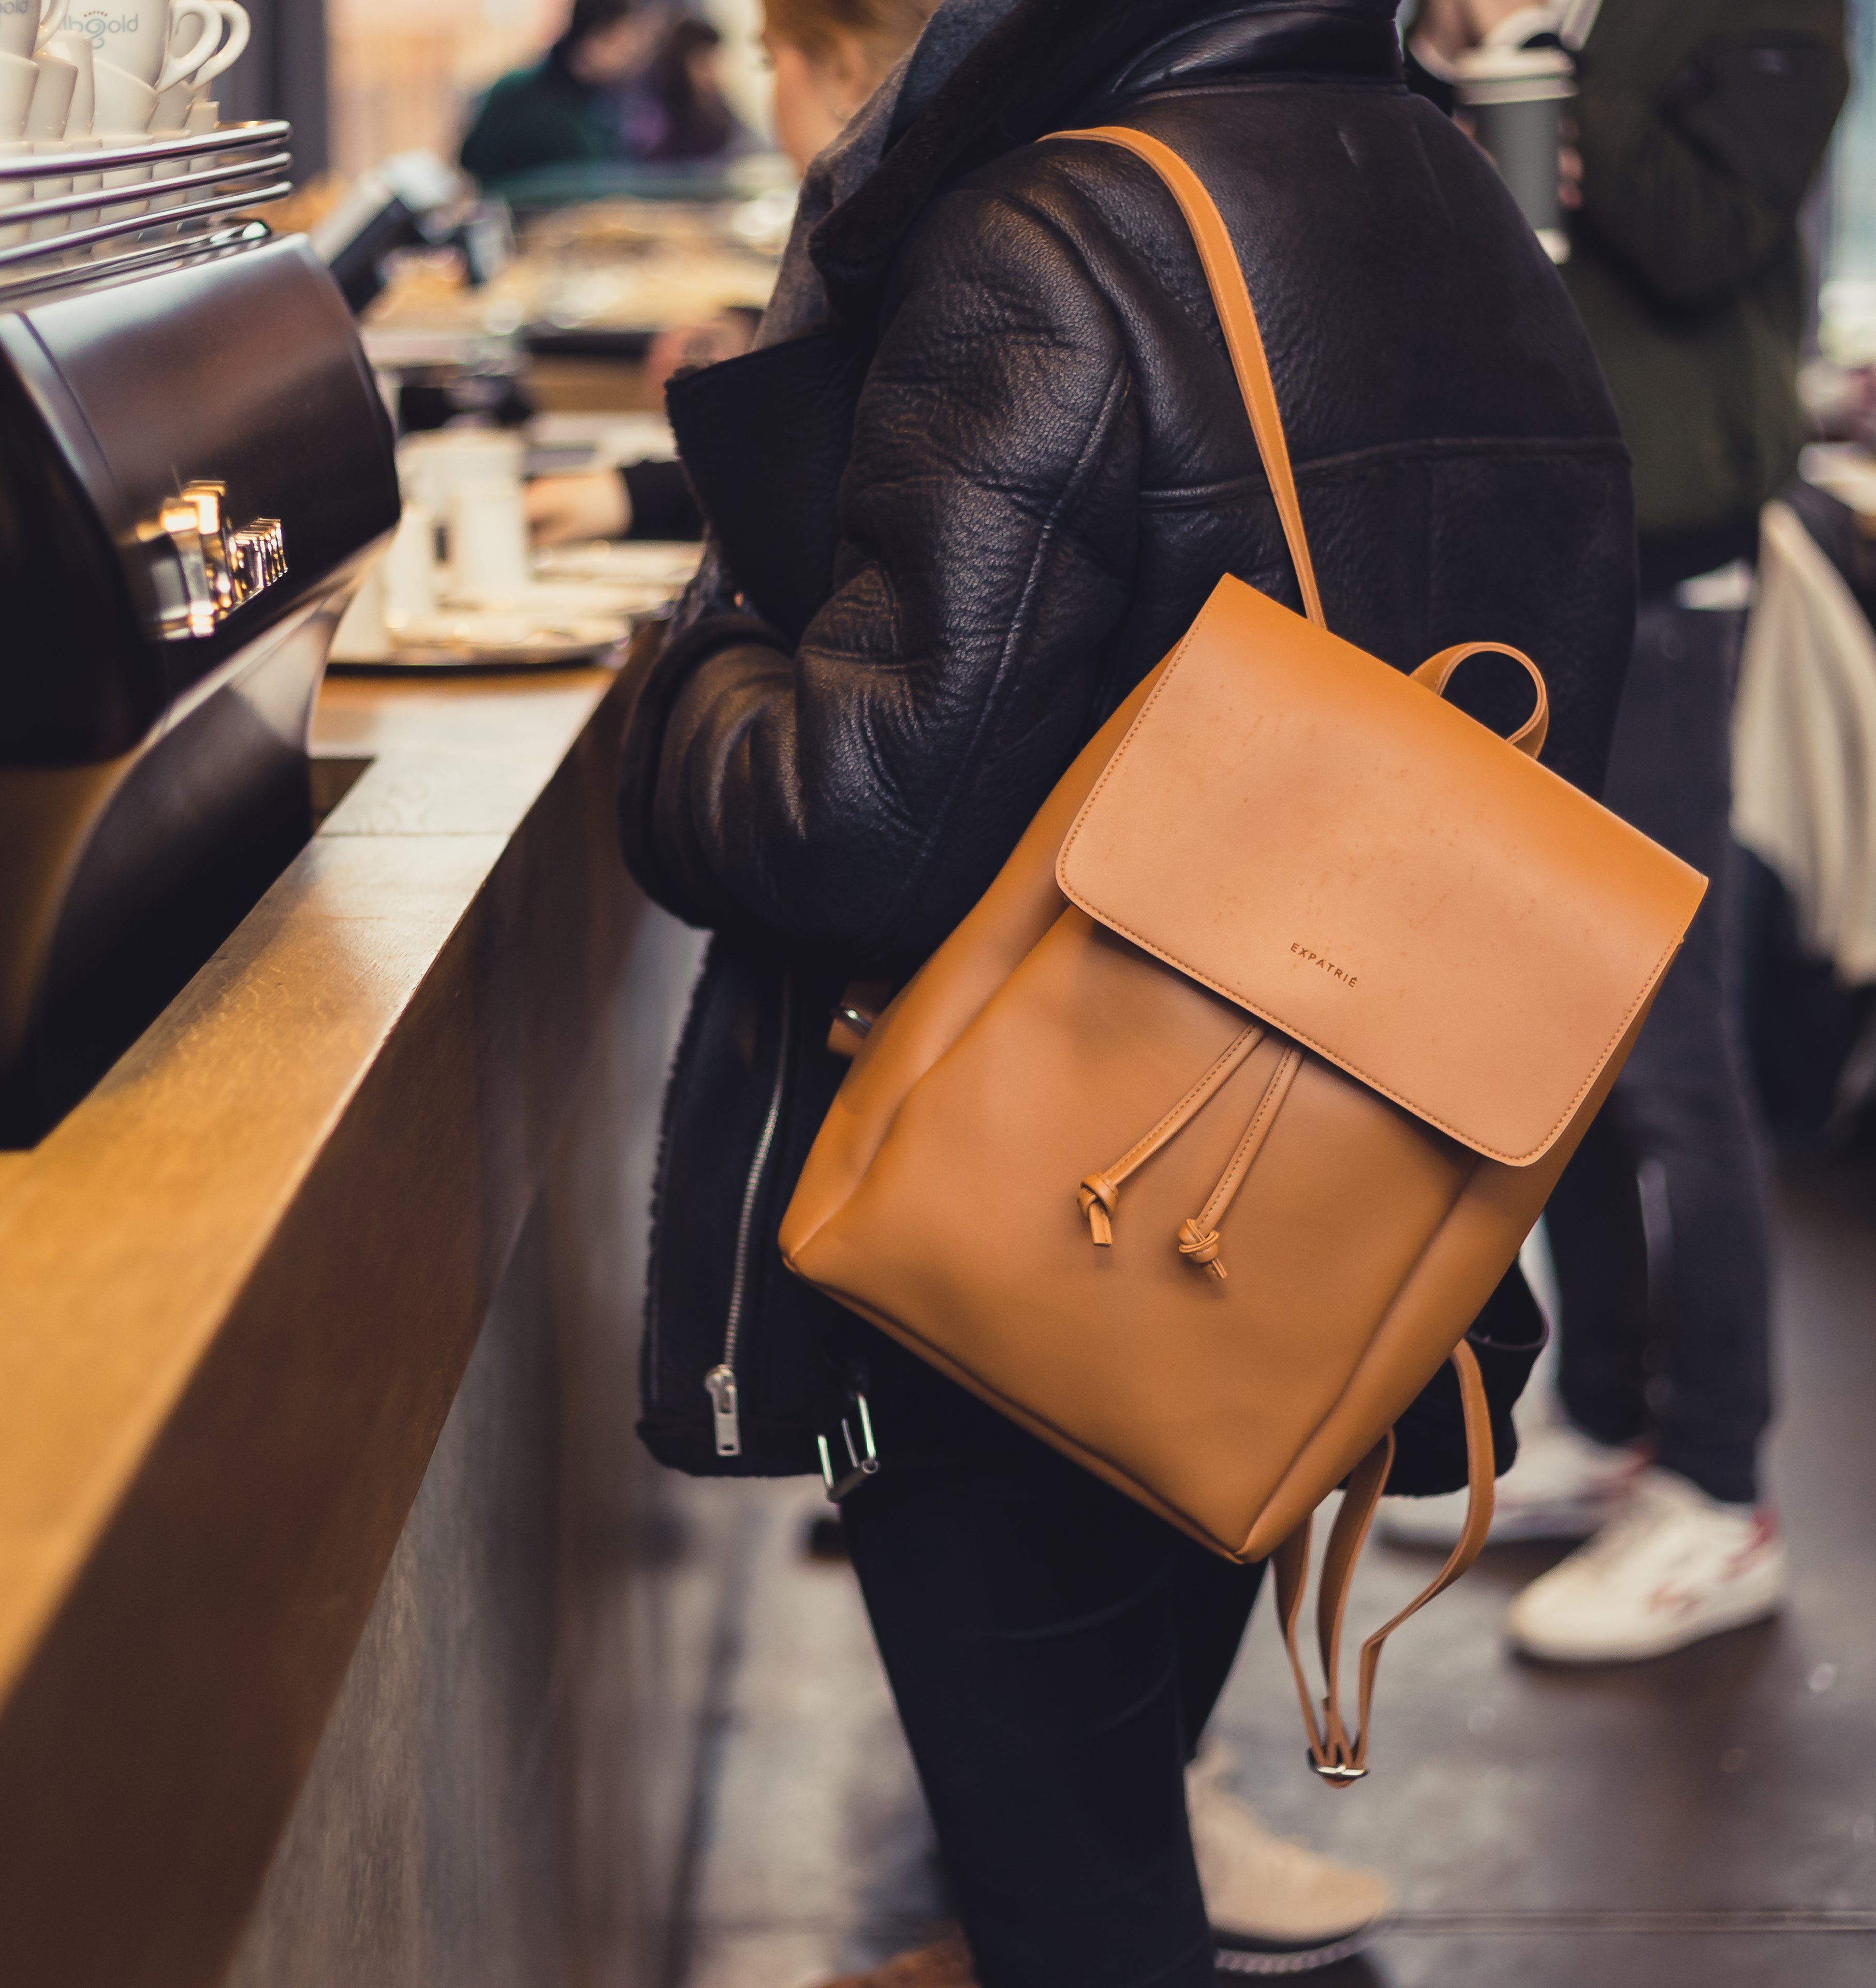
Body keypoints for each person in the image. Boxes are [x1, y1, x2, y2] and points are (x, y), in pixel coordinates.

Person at [619, 2, 1637, 1981]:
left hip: (1040, 1240)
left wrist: (688, 680)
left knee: (1073, 1896)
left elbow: (853, 815)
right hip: (1316, 1216)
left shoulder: (1057, 236)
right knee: (1099, 1797)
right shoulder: (1442, 182)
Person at [1387, 0, 1849, 1670]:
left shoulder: (1763, 15)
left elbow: (1701, 232)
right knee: (1542, 1027)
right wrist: (1441, 59)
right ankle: (1600, 1425)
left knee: (1668, 1047)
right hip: (1506, 553)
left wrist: (1550, 53)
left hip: (1666, 577)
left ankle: (1718, 1488)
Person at [527, 0, 946, 546]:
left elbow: (826, 484)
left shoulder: (922, 261)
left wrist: (640, 495)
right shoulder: (921, 231)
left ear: (843, 71)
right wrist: (748, 329)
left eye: (771, 64)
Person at [460, 0, 670, 188]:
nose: (636, 60)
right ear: (599, 38)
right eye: (627, 47)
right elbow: (474, 166)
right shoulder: (519, 96)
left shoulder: (603, 100)